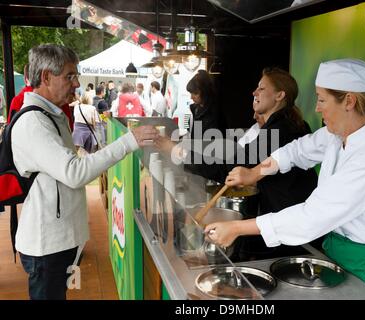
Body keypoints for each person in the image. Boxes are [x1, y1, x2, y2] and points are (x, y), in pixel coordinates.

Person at [205, 59, 365, 300]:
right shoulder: (337, 134)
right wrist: (255, 172)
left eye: (322, 99)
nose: (317, 108)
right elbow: (297, 151)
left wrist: (238, 228)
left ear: (349, 101)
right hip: (338, 252)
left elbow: (312, 216)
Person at [11, 44, 158, 300]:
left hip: (60, 241)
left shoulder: (51, 114)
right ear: (46, 77)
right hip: (46, 245)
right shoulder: (33, 122)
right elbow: (74, 172)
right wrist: (128, 141)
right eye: (69, 76)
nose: (76, 83)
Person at [157, 68, 319, 259]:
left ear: (279, 95)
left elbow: (231, 165)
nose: (254, 93)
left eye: (261, 88)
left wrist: (176, 151)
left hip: (291, 234)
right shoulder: (286, 125)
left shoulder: (281, 130)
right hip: (288, 225)